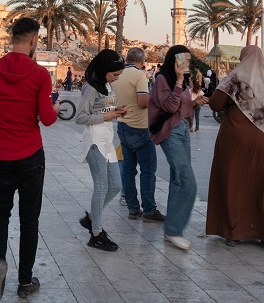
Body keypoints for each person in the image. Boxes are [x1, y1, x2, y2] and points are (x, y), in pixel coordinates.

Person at [0, 18, 58, 302]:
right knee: (29, 220)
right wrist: (55, 106)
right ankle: (24, 281)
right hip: (31, 156)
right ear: (33, 40)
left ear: (13, 38)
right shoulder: (39, 75)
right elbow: (46, 119)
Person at [206, 45, 264, 252]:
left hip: (237, 137)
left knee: (235, 183)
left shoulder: (235, 76)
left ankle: (234, 233)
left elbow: (215, 103)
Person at [148, 46, 207, 251]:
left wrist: (194, 101)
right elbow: (170, 107)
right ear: (174, 60)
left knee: (177, 179)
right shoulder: (163, 79)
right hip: (170, 133)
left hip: (182, 130)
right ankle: (174, 230)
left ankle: (171, 229)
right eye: (184, 60)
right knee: (187, 182)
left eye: (189, 61)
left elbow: (182, 106)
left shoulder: (181, 80)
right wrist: (180, 81)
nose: (187, 64)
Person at [75, 50, 127, 252]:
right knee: (102, 186)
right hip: (95, 142)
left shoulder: (107, 86)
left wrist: (115, 112)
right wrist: (108, 116)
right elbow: (81, 117)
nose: (117, 78)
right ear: (104, 70)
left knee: (115, 185)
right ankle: (95, 234)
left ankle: (91, 218)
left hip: (107, 142)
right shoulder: (91, 89)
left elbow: (101, 111)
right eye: (115, 74)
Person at [113, 48, 162, 223]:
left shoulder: (118, 74)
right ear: (142, 61)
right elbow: (142, 102)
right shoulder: (139, 75)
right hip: (140, 128)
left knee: (128, 170)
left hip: (122, 126)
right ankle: (149, 209)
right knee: (148, 171)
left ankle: (133, 209)